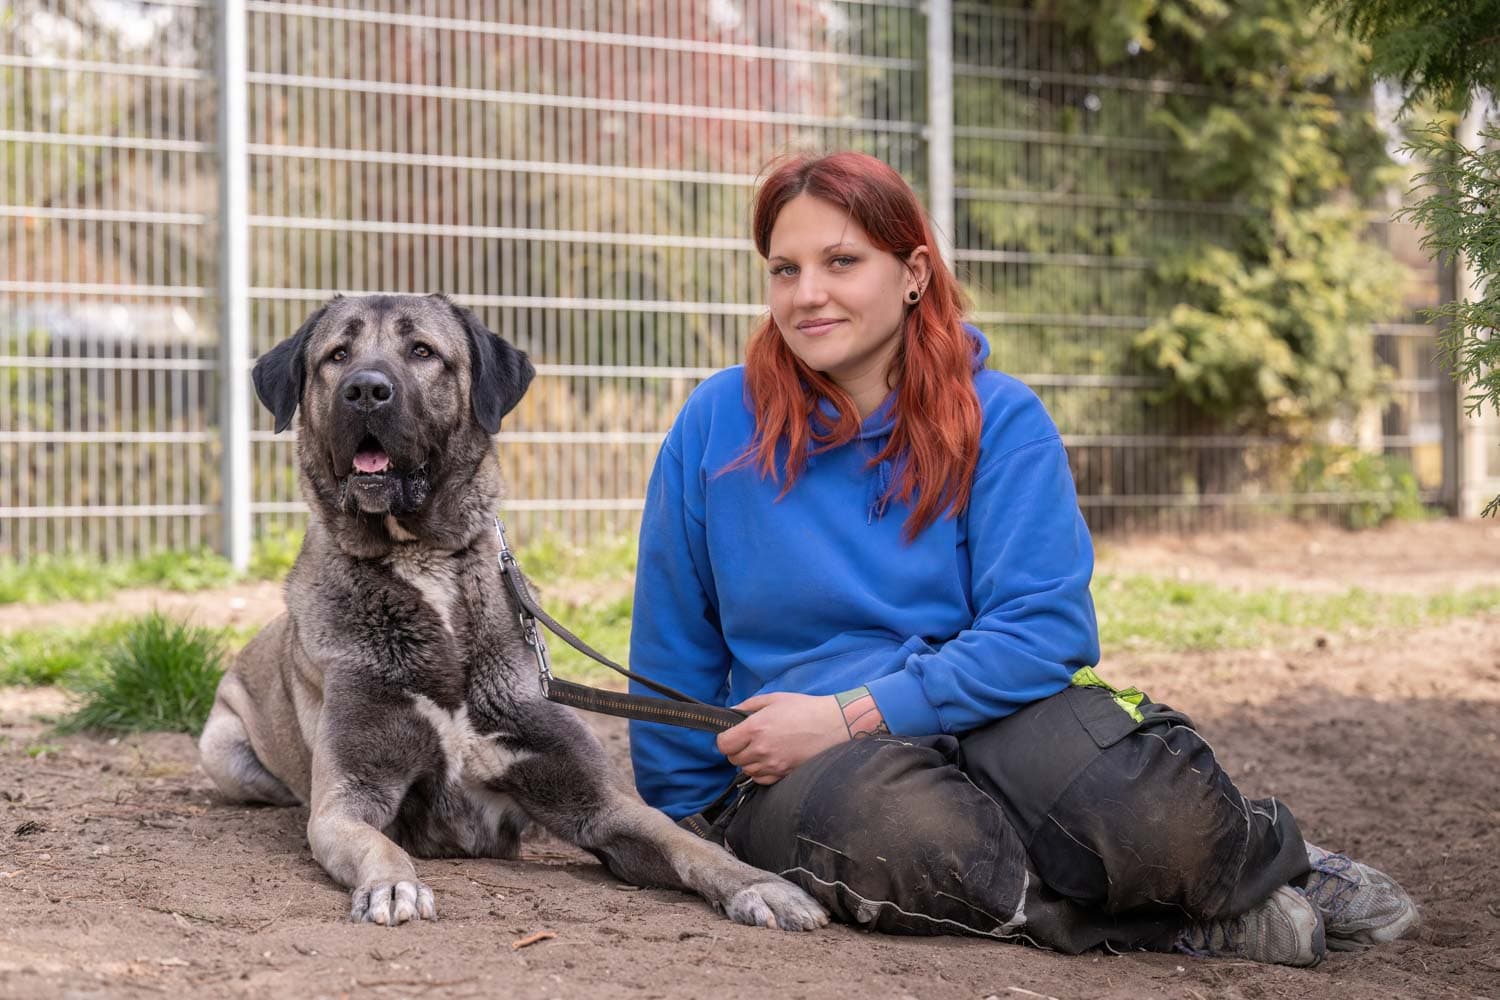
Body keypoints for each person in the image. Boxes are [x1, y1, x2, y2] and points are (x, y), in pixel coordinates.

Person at [626, 151, 1419, 964]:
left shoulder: (1000, 418)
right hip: (810, 757)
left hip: (992, 712)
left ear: (913, 273)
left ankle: (1253, 857)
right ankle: (1169, 922)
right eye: (784, 269)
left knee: (1147, 808)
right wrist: (699, 813)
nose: (807, 294)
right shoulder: (717, 422)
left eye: (841, 262)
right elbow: (672, 634)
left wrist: (857, 711)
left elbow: (1043, 631)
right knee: (901, 836)